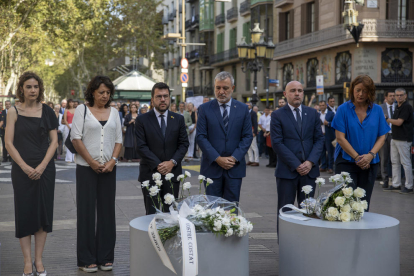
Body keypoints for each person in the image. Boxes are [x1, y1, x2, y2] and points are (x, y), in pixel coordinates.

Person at [5, 71, 58, 276]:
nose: (33, 90)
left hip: (45, 169)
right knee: (25, 213)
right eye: (29, 86)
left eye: (36, 86)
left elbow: (54, 142)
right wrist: (25, 167)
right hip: (21, 170)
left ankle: (39, 261)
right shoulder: (13, 111)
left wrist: (43, 166)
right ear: (21, 89)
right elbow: (8, 143)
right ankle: (27, 263)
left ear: (40, 88)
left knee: (43, 214)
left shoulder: (47, 111)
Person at [71, 76, 122, 273]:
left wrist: (112, 161)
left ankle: (106, 257)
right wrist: (92, 162)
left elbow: (118, 140)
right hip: (86, 169)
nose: (105, 96)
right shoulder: (81, 110)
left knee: (107, 213)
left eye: (108, 92)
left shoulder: (115, 112)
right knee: (86, 213)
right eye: (101, 92)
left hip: (109, 169)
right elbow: (76, 139)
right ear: (92, 92)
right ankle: (86, 259)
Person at [271, 81, 324, 237]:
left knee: (308, 211)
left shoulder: (312, 113)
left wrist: (310, 162)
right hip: (287, 171)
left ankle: (306, 245)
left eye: (300, 90)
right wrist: (296, 164)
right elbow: (277, 143)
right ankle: (286, 246)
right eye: (293, 90)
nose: (297, 93)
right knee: (285, 210)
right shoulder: (277, 115)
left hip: (309, 172)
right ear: (285, 94)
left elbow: (319, 140)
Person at [331, 75, 389, 209]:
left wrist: (370, 155)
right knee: (346, 204)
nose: (360, 94)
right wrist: (357, 157)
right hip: (345, 162)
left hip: (370, 163)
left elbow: (382, 137)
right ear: (352, 90)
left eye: (365, 91)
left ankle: (361, 230)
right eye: (357, 90)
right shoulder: (343, 109)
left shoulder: (377, 110)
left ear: (370, 92)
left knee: (363, 204)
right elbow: (340, 138)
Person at [197, 71, 253, 202]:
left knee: (231, 209)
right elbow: (201, 137)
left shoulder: (243, 109)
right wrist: (217, 158)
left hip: (234, 169)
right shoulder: (204, 109)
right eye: (218, 88)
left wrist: (234, 158)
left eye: (225, 88)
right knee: (212, 211)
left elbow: (247, 136)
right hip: (212, 168)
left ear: (232, 88)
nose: (221, 91)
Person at [135, 82, 189, 214]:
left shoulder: (178, 119)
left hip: (172, 173)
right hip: (150, 173)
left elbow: (184, 144)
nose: (163, 99)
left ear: (169, 98)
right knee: (151, 214)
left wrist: (172, 162)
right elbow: (141, 146)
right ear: (152, 99)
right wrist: (159, 165)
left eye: (166, 96)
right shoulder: (142, 120)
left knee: (171, 214)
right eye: (159, 96)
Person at [384, 88, 414, 194]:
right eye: (397, 95)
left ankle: (409, 186)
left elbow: (399, 122)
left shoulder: (407, 107)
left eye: (401, 95)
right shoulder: (397, 106)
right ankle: (396, 184)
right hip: (395, 137)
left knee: (405, 163)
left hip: (404, 139)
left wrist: (387, 119)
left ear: (405, 96)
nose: (399, 97)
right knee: (395, 162)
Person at [379, 91, 396, 188]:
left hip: (395, 135)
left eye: (393, 96)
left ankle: (394, 179)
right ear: (386, 97)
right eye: (391, 96)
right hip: (384, 136)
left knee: (394, 159)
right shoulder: (380, 108)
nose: (392, 98)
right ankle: (385, 179)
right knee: (384, 159)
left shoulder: (397, 107)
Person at [319, 101, 335, 174]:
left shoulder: (331, 114)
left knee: (330, 152)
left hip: (329, 135)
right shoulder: (318, 114)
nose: (322, 107)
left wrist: (328, 123)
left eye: (323, 105)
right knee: (322, 151)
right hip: (320, 135)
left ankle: (330, 167)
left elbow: (335, 124)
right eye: (320, 105)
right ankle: (323, 166)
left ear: (326, 106)